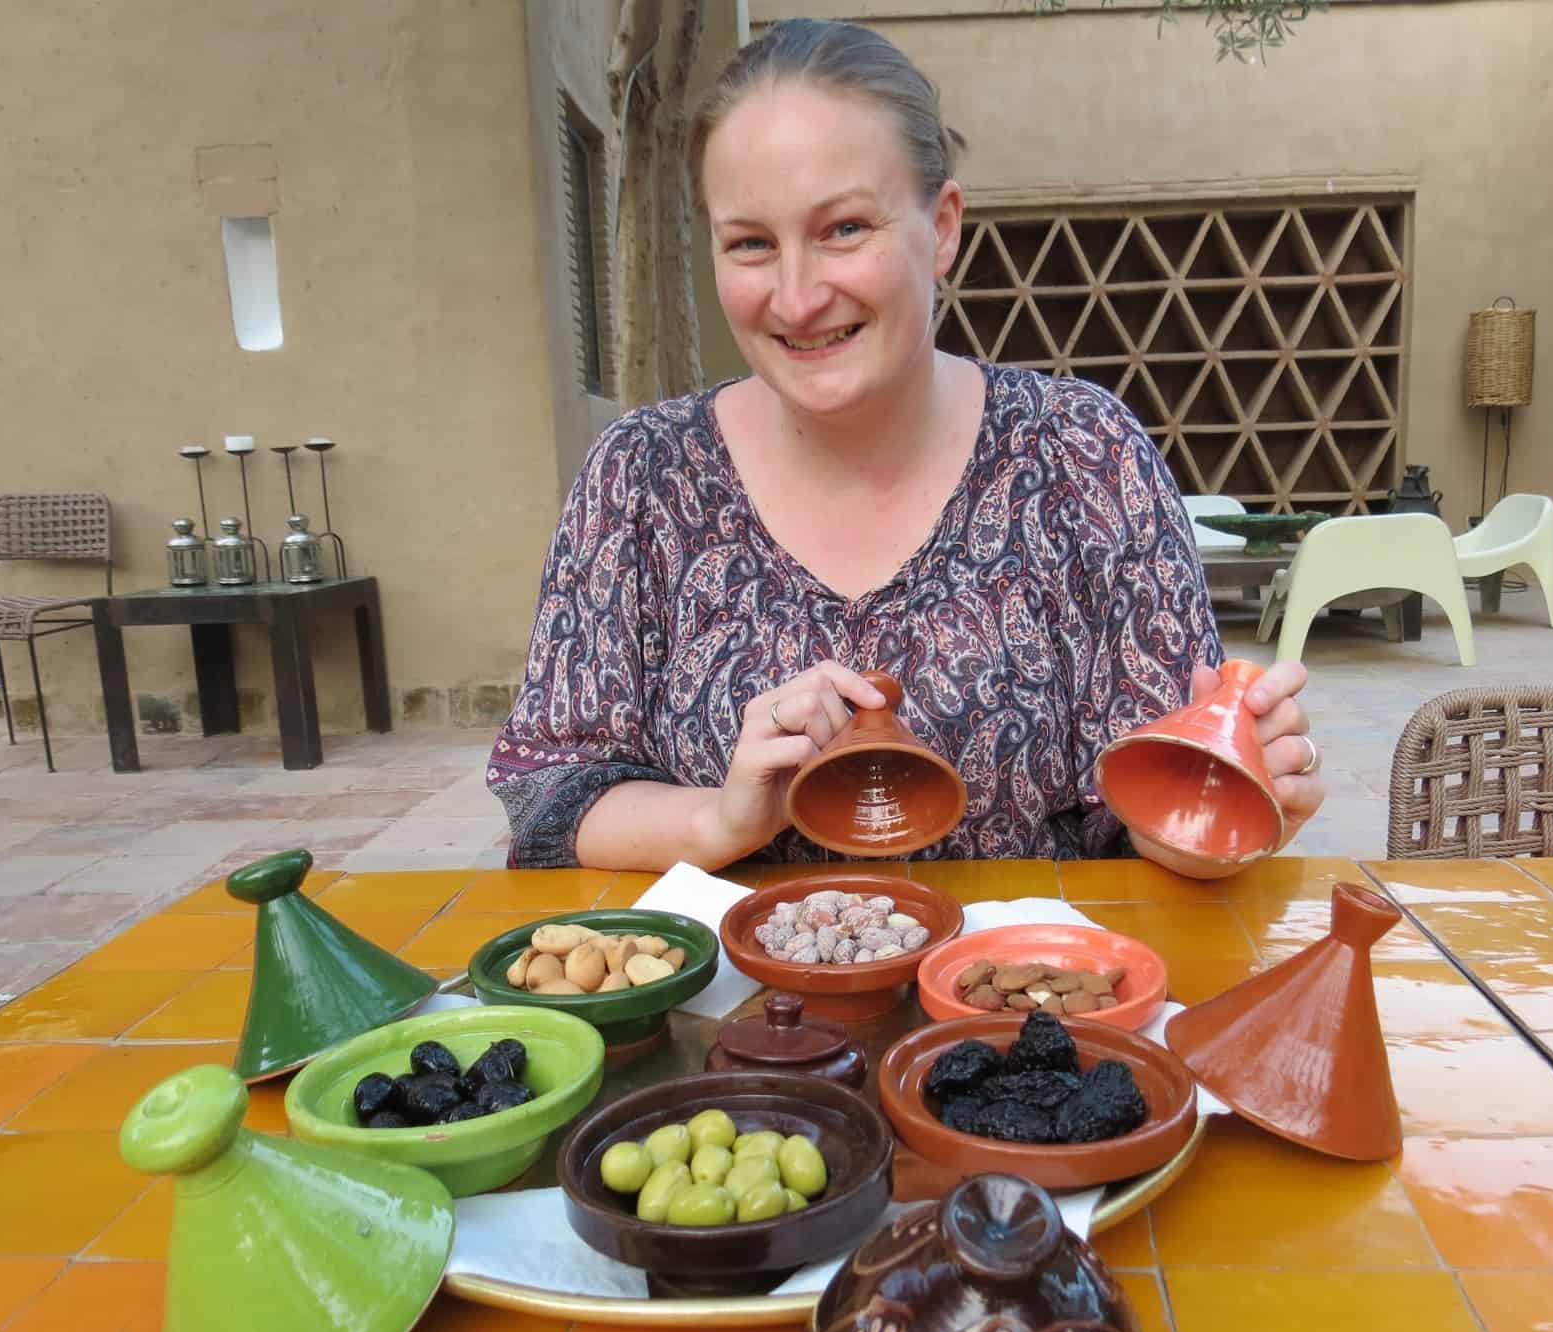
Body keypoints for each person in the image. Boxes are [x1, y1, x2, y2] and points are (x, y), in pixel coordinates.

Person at [488, 17, 1324, 871]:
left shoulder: (1084, 452)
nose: (798, 296)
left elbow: (1150, 825)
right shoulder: (641, 477)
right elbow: (554, 797)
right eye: (749, 243)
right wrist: (720, 820)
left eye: (845, 228)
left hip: (1018, 996)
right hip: (729, 1004)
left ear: (946, 227)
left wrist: (1231, 803)